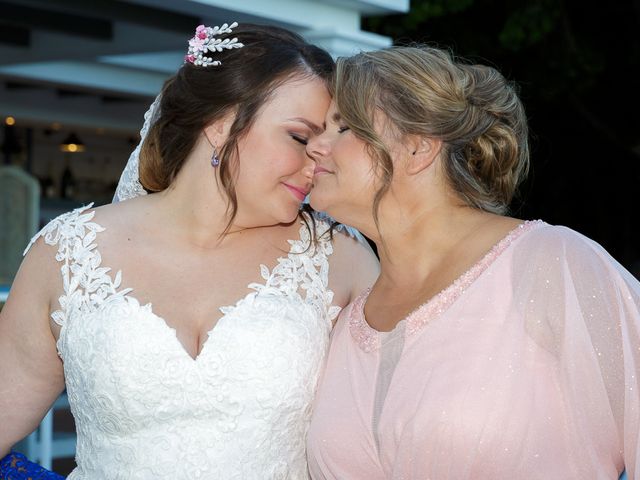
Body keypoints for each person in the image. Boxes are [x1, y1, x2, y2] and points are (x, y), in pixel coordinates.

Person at [0, 23, 378, 479]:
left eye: (324, 147)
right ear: (220, 123)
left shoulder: (342, 260)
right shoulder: (67, 253)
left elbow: (392, 431)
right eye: (299, 138)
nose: (316, 164)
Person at [305, 45, 639, 479]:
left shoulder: (553, 265)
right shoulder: (347, 324)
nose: (314, 146)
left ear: (417, 148)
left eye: (344, 127)